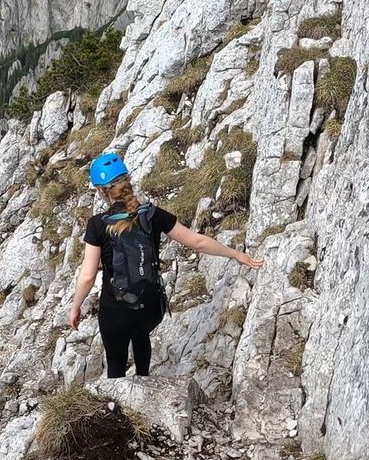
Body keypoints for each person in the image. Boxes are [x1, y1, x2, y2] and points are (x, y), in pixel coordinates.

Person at [69, 151, 264, 379]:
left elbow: (87, 276)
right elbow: (198, 242)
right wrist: (236, 254)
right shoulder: (152, 215)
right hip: (150, 306)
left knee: (116, 364)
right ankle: (144, 381)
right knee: (140, 335)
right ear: (127, 181)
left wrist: (75, 307)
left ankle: (120, 403)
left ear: (102, 191)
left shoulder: (97, 225)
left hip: (116, 311)